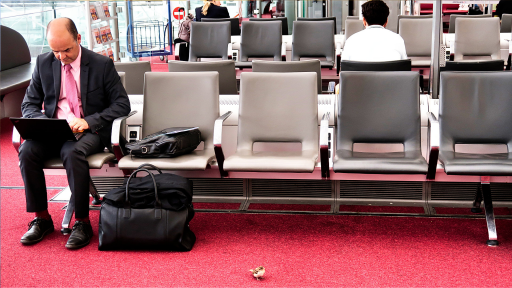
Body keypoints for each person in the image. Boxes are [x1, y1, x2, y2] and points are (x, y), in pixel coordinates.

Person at [19, 18, 130, 249]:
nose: (61, 56)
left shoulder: (101, 64)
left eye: (67, 49)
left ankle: (82, 222)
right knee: (27, 150)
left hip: (88, 131)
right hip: (54, 129)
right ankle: (42, 217)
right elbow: (28, 105)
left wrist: (88, 122)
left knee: (72, 152)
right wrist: (46, 124)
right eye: (55, 51)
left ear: (78, 39)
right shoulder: (43, 63)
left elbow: (121, 105)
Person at [341, 0, 407, 62]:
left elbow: (344, 69)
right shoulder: (398, 40)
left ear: (364, 21)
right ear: (386, 21)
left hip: (360, 74)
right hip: (389, 74)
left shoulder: (351, 41)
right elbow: (404, 69)